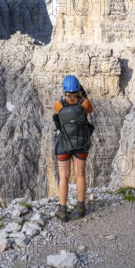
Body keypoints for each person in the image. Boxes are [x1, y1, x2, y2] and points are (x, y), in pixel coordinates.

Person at [53, 75, 94, 220]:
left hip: (63, 144)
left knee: (64, 177)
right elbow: (90, 110)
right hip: (80, 144)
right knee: (80, 174)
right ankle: (81, 208)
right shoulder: (85, 104)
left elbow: (58, 116)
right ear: (78, 88)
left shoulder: (58, 104)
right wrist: (83, 95)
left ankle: (63, 210)